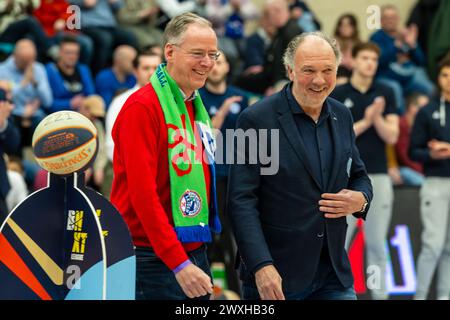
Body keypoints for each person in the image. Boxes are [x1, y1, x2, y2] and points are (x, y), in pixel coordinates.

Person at [228, 32, 373, 300]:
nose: (319, 80)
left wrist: (361, 199)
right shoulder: (256, 119)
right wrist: (261, 265)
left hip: (333, 274)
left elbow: (359, 175)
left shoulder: (342, 114)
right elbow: (241, 200)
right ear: (290, 71)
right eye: (309, 70)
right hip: (276, 277)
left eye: (327, 70)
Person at [110, 12, 221, 300]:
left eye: (213, 54)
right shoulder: (142, 108)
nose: (207, 62)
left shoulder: (193, 104)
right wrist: (178, 262)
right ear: (170, 52)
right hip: (152, 258)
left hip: (193, 250)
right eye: (198, 53)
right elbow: (142, 194)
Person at [331, 42, 399, 300]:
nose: (370, 63)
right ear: (354, 61)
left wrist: (378, 118)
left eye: (374, 58)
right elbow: (338, 136)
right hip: (344, 176)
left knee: (377, 243)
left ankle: (380, 296)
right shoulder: (338, 92)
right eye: (365, 58)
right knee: (339, 243)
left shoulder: (386, 92)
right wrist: (367, 121)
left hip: (378, 174)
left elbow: (392, 136)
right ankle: (338, 294)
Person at [199, 50, 250, 294]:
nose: (216, 67)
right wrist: (222, 111)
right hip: (209, 177)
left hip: (236, 177)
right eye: (213, 63)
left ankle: (238, 293)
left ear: (228, 67)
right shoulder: (198, 97)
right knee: (209, 238)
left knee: (235, 239)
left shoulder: (241, 98)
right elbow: (206, 135)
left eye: (220, 62)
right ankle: (204, 291)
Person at [409, 57, 450, 300]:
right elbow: (413, 151)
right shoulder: (427, 110)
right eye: (444, 75)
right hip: (435, 182)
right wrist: (432, 153)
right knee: (433, 245)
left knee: (449, 248)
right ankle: (420, 296)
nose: (449, 80)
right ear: (438, 78)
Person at [103, 51, 162, 198]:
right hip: (126, 172)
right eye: (146, 68)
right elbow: (112, 144)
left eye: (156, 68)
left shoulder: (170, 102)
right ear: (136, 71)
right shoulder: (121, 101)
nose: (151, 72)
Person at [0, 39, 52, 148]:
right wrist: (24, 82)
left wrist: (36, 83)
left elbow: (48, 101)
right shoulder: (2, 70)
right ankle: (17, 160)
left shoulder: (38, 68)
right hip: (13, 114)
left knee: (46, 124)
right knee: (11, 123)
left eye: (31, 60)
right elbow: (7, 98)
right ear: (15, 56)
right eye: (24, 61)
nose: (28, 65)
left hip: (35, 115)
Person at [45, 35, 95, 113]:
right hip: (58, 116)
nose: (72, 57)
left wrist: (84, 102)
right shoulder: (50, 70)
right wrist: (70, 103)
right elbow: (48, 104)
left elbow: (91, 95)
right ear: (60, 53)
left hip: (82, 113)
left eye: (75, 53)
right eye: (68, 53)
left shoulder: (83, 69)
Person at [394, 92, 428, 186]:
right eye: (425, 108)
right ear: (413, 107)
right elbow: (405, 156)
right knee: (406, 172)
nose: (428, 111)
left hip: (419, 170)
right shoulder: (400, 125)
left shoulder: (422, 126)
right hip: (403, 169)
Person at [0, 88, 20, 223]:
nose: (11, 106)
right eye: (8, 102)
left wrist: (2, 122)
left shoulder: (7, 121)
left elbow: (13, 145)